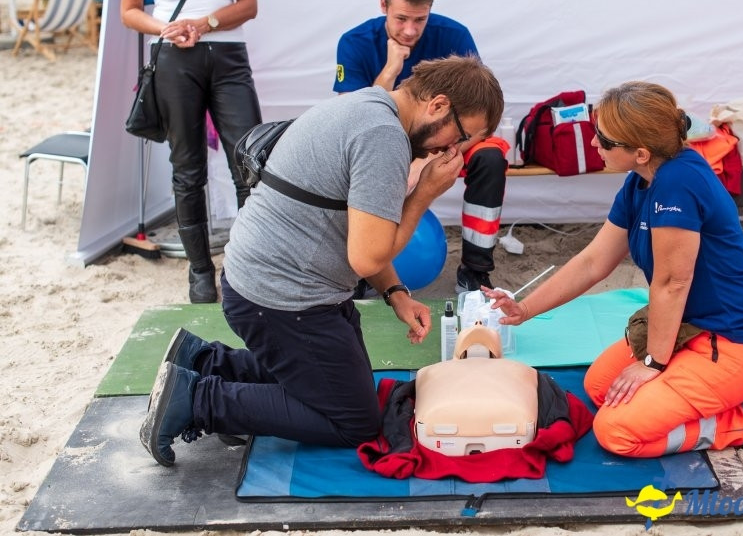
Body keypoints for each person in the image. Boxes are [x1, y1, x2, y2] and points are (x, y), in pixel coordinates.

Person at [139, 55, 505, 466]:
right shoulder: (384, 139)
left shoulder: (371, 104)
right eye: (460, 136)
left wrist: (396, 293)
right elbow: (367, 256)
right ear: (437, 106)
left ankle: (204, 361)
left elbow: (362, 230)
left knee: (343, 388)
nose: (451, 150)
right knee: (355, 422)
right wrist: (424, 194)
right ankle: (198, 399)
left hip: (271, 280)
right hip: (282, 298)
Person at [484, 81, 743, 466]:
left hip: (733, 340)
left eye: (604, 140)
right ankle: (721, 392)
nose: (594, 145)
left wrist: (652, 365)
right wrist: (524, 309)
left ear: (641, 152)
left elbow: (672, 283)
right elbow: (594, 261)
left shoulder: (678, 184)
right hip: (689, 328)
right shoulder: (642, 179)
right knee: (599, 388)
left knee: (616, 431)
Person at [334, 0, 508, 293]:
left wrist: (425, 161)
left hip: (447, 143)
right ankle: (356, 270)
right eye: (401, 19)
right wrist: (391, 69)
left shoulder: (455, 37)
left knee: (490, 157)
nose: (411, 30)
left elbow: (480, 120)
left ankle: (475, 270)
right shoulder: (354, 42)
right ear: (383, 5)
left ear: (431, 10)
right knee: (348, 164)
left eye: (420, 19)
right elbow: (351, 122)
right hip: (377, 148)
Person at [121, 0, 263, 304]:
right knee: (188, 168)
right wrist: (165, 28)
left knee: (249, 162)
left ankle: (248, 264)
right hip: (173, 57)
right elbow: (129, 10)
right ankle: (200, 270)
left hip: (229, 55)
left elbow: (249, 4)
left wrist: (206, 22)